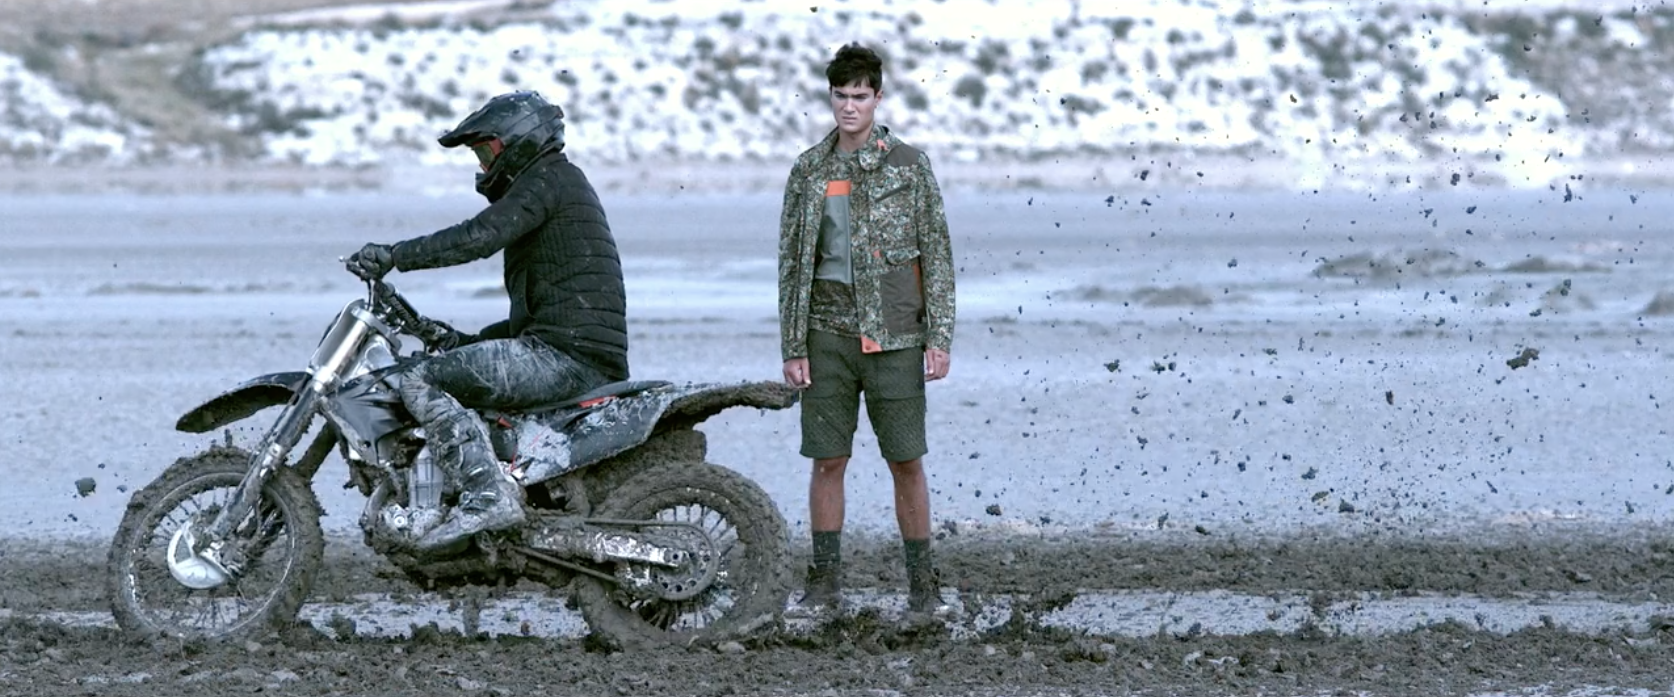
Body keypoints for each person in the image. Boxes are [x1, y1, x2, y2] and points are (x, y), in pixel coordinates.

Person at [344, 90, 629, 552]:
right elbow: (538, 319)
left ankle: (485, 496)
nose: (482, 164)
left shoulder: (548, 179)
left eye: (485, 151)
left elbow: (479, 236)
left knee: (419, 379)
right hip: (566, 351)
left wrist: (396, 256)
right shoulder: (556, 184)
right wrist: (455, 338)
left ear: (518, 142)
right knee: (440, 368)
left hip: (568, 360)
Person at [776, 43, 956, 617]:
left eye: (860, 96)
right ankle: (825, 583)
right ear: (829, 98)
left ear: (878, 97)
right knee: (827, 460)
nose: (849, 106)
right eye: (840, 96)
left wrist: (940, 337)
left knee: (906, 461)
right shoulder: (808, 170)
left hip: (894, 338)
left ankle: (923, 587)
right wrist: (793, 345)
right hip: (826, 337)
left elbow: (937, 254)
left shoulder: (909, 166)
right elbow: (791, 264)